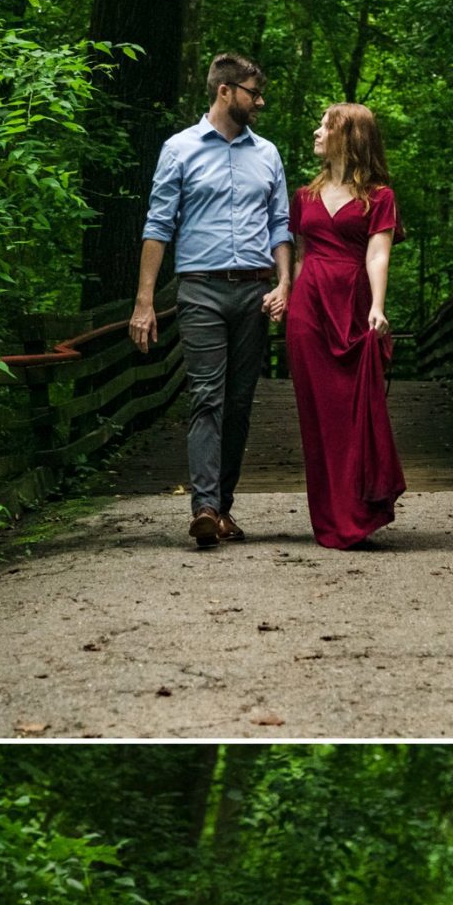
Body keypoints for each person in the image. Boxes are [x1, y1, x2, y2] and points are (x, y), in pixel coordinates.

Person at [129, 53, 293, 549]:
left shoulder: (267, 154)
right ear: (225, 91)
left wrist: (284, 284)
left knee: (240, 403)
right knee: (207, 397)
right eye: (252, 91)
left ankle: (222, 507)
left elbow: (281, 227)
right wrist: (143, 303)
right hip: (199, 289)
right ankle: (203, 506)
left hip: (254, 291)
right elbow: (158, 227)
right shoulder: (178, 150)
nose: (259, 101)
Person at [284, 103, 408, 549]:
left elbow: (378, 254)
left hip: (353, 307)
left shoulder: (379, 196)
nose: (317, 132)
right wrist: (287, 297)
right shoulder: (304, 197)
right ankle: (329, 521)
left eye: (326, 126)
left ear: (350, 137)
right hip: (308, 312)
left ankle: (357, 514)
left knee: (351, 415)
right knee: (317, 417)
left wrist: (378, 305)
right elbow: (298, 256)